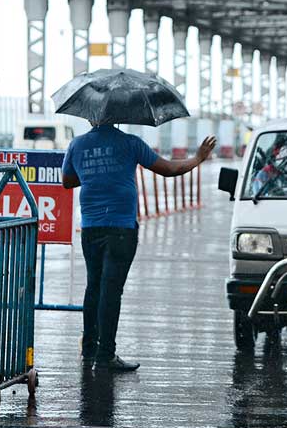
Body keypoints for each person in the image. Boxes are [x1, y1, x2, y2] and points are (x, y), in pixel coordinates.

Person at [62, 123, 216, 372]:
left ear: (91, 118)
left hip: (91, 228)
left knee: (94, 287)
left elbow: (67, 181)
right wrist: (198, 158)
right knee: (111, 290)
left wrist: (95, 174)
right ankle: (105, 356)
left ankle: (89, 349)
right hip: (121, 228)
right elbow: (169, 169)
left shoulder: (77, 144)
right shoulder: (130, 143)